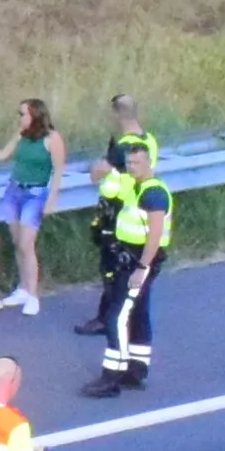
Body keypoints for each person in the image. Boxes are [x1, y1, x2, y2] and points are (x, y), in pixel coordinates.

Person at [86, 136, 171, 396]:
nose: (132, 167)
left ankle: (112, 376)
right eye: (129, 163)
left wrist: (142, 267)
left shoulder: (153, 193)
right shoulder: (134, 186)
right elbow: (109, 192)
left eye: (137, 163)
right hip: (131, 257)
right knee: (138, 313)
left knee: (116, 317)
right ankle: (136, 370)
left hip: (140, 261)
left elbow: (155, 235)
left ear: (149, 163)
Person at [76, 95, 156, 336]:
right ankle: (113, 315)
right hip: (136, 210)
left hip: (118, 213)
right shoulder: (149, 140)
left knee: (111, 269)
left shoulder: (123, 147)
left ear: (117, 114)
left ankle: (110, 318)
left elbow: (96, 173)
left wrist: (100, 162)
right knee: (122, 269)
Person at [0, 97, 63, 314]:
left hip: (35, 194)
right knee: (16, 242)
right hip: (14, 191)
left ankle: (32, 295)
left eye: (23, 114)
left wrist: (52, 199)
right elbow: (1, 154)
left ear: (35, 115)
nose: (19, 118)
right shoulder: (21, 134)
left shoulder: (52, 138)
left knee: (26, 244)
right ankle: (22, 288)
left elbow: (58, 169)